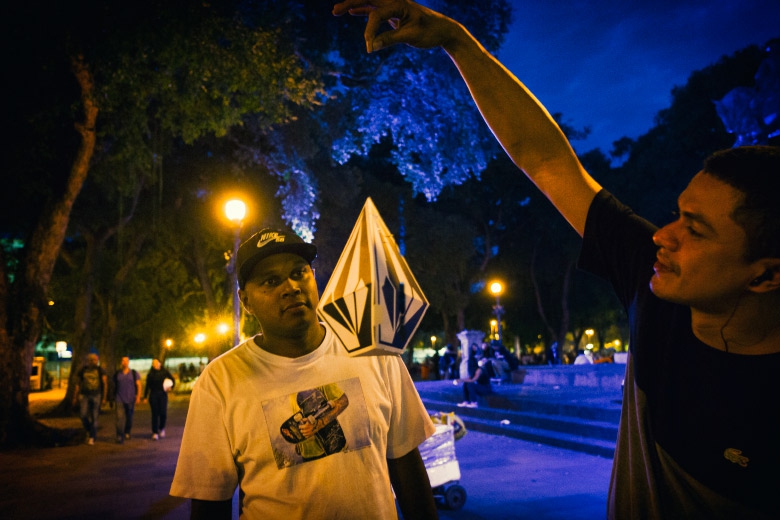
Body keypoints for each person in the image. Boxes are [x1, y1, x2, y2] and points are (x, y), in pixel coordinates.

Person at [333, 2, 780, 518]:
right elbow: (546, 159)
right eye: (677, 215)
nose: (664, 237)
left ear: (767, 275)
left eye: (695, 230)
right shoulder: (651, 278)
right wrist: (457, 41)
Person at [170, 228, 437, 519]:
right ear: (245, 301)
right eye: (271, 281)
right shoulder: (220, 381)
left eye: (299, 273)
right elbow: (210, 502)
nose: (291, 287)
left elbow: (405, 461)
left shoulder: (371, 349)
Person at [71, 352, 108, 445]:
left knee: (94, 417)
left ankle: (92, 437)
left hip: (96, 395)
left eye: (95, 360)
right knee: (83, 415)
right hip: (84, 395)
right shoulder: (83, 370)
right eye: (91, 360)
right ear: (88, 361)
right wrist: (75, 396)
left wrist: (104, 398)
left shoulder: (100, 370)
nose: (93, 362)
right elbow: (78, 384)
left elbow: (105, 383)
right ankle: (88, 429)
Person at [143, 358, 174, 440]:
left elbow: (172, 380)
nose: (155, 364)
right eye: (153, 363)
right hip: (153, 395)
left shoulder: (164, 372)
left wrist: (170, 387)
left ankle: (162, 428)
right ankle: (155, 432)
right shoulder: (150, 374)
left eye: (156, 362)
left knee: (163, 413)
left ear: (160, 363)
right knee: (155, 413)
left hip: (163, 394)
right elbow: (147, 386)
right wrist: (145, 397)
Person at [113, 356, 141, 443]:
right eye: (122, 361)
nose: (124, 362)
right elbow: (114, 385)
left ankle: (127, 432)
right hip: (119, 398)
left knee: (129, 417)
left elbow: (138, 385)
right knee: (119, 418)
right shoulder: (118, 373)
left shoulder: (133, 373)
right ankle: (119, 435)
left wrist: (138, 397)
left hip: (130, 399)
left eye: (126, 361)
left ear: (128, 362)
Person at [457, 343, 492, 408]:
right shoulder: (475, 369)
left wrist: (460, 380)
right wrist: (463, 380)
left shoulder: (480, 369)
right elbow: (470, 378)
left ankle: (474, 402)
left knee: (470, 384)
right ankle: (466, 401)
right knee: (466, 384)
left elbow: (474, 379)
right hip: (481, 386)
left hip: (486, 388)